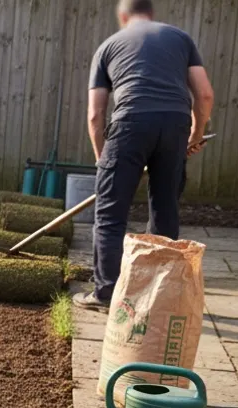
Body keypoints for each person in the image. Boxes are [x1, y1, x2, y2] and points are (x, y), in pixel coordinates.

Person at [73, 0, 214, 311]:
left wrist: (102, 160)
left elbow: (96, 115)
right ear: (151, 13)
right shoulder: (180, 39)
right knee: (165, 212)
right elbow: (203, 95)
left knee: (110, 216)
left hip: (130, 123)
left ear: (123, 16)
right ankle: (155, 297)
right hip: (176, 123)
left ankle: (106, 295)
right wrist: (195, 133)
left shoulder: (108, 46)